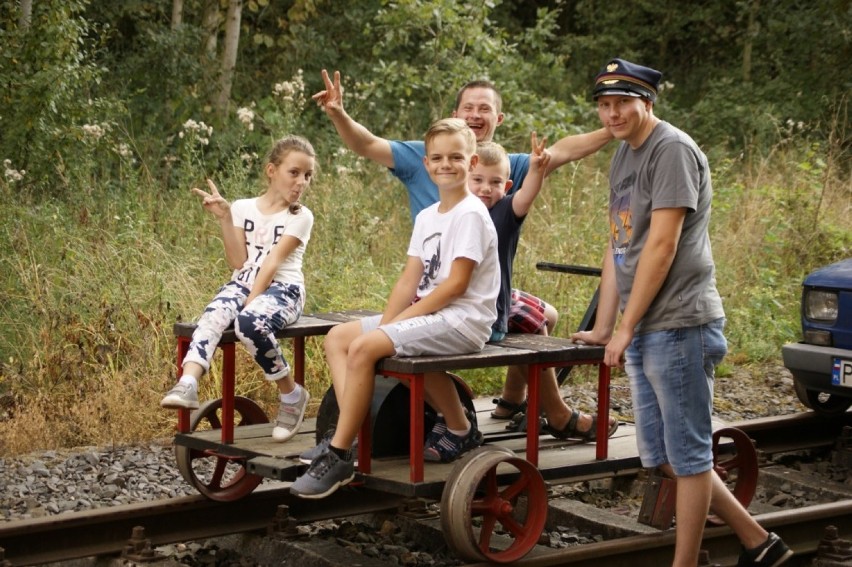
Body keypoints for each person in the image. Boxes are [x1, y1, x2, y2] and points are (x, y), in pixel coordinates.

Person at [571, 58, 792, 567]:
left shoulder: (670, 150)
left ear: (647, 101)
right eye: (604, 105)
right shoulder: (624, 156)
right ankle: (759, 544)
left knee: (689, 457)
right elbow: (619, 244)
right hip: (648, 326)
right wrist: (604, 326)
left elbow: (663, 245)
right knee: (666, 458)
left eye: (622, 103)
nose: (612, 114)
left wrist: (624, 328)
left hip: (680, 323)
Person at [313, 69, 612, 431]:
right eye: (467, 107)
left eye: (483, 109)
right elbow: (366, 144)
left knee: (542, 315)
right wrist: (339, 113)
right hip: (437, 290)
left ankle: (516, 403)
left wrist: (614, 126)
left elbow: (562, 150)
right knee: (538, 319)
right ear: (453, 116)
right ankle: (542, 410)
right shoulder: (423, 157)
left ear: (497, 120)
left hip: (477, 292)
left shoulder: (501, 164)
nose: (474, 115)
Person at [290, 118, 500, 499]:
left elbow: (456, 285)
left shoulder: (471, 213)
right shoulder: (427, 216)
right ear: (425, 163)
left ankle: (338, 454)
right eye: (436, 157)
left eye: (456, 156)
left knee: (369, 347)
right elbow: (408, 279)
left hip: (464, 319)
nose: (445, 164)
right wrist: (389, 324)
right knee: (340, 338)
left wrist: (394, 328)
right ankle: (352, 432)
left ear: (472, 163)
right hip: (432, 314)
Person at [160, 136, 316, 444]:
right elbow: (238, 260)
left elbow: (271, 264)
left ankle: (291, 394)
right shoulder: (244, 208)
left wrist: (250, 302)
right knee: (214, 315)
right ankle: (188, 382)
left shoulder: (300, 216)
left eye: (307, 176)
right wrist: (226, 218)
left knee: (249, 322)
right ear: (272, 170)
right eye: (294, 172)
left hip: (284, 290)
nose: (301, 182)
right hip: (243, 282)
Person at [472, 138, 618, 440]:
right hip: (463, 306)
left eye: (495, 182)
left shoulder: (505, 210)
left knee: (534, 318)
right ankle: (516, 401)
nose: (486, 188)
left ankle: (549, 410)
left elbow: (527, 194)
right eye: (478, 180)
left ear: (507, 185)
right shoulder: (456, 210)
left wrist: (537, 169)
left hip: (488, 310)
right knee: (537, 315)